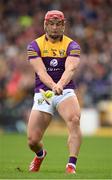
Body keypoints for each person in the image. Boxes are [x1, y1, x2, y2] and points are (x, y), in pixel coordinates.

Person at [27, 10, 82, 174]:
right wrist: (53, 85)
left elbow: (71, 68)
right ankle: (40, 154)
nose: (55, 28)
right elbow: (41, 72)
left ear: (64, 26)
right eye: (51, 24)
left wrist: (60, 85)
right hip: (44, 93)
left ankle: (71, 165)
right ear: (45, 25)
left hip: (65, 91)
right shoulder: (34, 45)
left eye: (59, 24)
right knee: (32, 140)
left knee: (74, 119)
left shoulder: (72, 45)